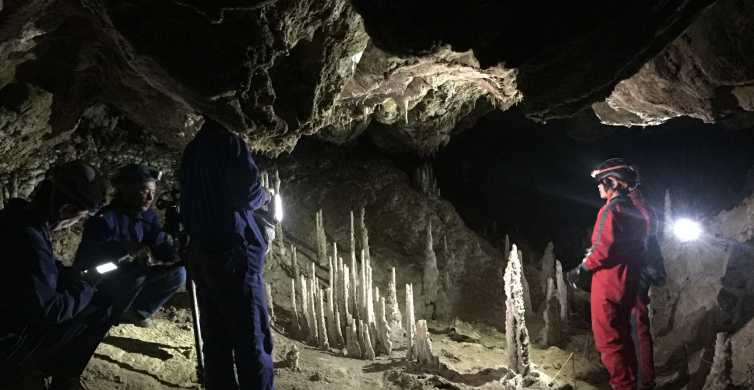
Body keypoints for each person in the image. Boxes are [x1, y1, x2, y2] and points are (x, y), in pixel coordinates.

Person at [0, 161, 114, 390]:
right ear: (67, 211)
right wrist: (86, 287)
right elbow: (49, 310)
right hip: (7, 335)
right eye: (78, 217)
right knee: (95, 309)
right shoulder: (31, 238)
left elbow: (34, 269)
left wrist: (64, 272)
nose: (74, 224)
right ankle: (39, 373)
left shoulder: (17, 217)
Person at [179, 119, 273, 390]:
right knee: (251, 338)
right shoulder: (229, 143)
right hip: (233, 255)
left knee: (216, 337)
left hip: (202, 254)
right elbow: (248, 193)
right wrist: (265, 197)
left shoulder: (193, 149)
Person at [568, 158, 647, 390]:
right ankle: (631, 383)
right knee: (623, 338)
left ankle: (623, 386)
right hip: (628, 280)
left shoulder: (611, 210)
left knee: (609, 342)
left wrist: (581, 269)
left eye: (602, 182)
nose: (598, 186)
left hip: (609, 283)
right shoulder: (635, 211)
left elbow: (602, 249)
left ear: (613, 182)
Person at [75, 163, 186, 328]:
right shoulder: (106, 218)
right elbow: (87, 257)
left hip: (134, 274)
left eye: (153, 193)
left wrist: (177, 250)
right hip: (104, 277)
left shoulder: (148, 217)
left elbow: (161, 245)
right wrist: (123, 250)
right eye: (144, 191)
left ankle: (136, 312)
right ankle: (106, 313)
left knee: (178, 273)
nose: (150, 198)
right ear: (126, 189)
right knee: (136, 274)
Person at [626, 167, 666, 390]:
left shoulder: (637, 205)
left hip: (639, 269)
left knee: (636, 324)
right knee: (632, 324)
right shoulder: (637, 203)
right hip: (640, 267)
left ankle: (644, 381)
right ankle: (638, 376)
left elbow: (644, 236)